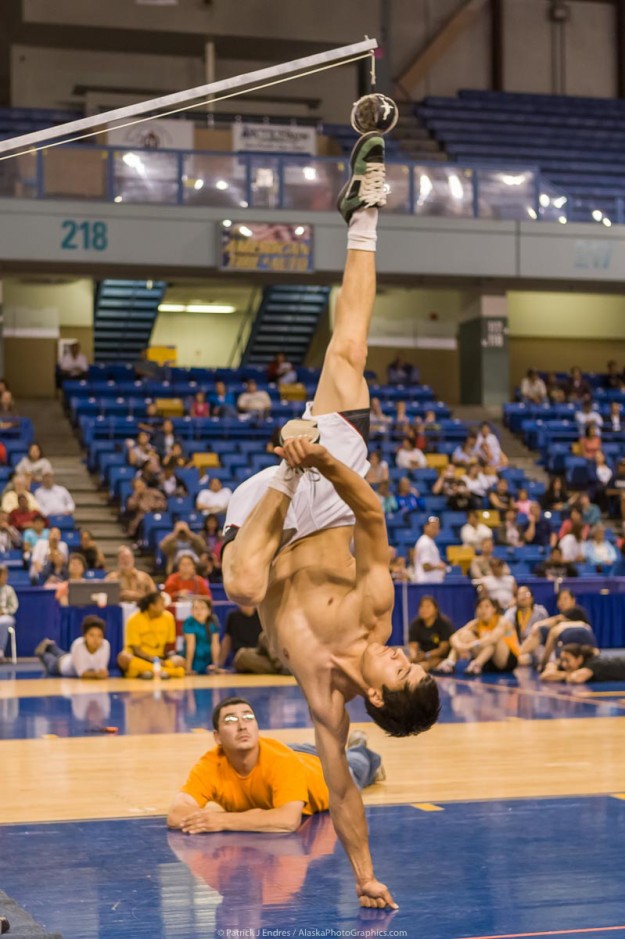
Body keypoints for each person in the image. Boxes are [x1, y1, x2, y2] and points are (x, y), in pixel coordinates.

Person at [219, 133, 439, 909]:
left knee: (245, 587)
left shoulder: (324, 700)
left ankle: (285, 459)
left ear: (376, 697)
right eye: (413, 661)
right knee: (347, 350)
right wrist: (317, 456)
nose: (403, 654)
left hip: (267, 515)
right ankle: (365, 211)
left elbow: (341, 789)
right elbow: (370, 508)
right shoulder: (376, 607)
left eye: (402, 671)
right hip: (329, 490)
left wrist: (364, 875)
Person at [167, 697, 384, 834]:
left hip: (323, 774)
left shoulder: (281, 761)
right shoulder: (211, 764)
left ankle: (359, 748)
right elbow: (176, 814)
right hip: (294, 752)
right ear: (217, 738)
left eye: (248, 717)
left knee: (355, 767)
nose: (242, 726)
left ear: (257, 727)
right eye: (231, 721)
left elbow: (288, 820)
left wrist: (222, 820)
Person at [438, 596, 519, 675]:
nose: (483, 610)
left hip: (506, 660)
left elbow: (493, 639)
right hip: (488, 659)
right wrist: (460, 646)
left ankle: (476, 664)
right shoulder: (476, 623)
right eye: (480, 607)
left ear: (494, 609)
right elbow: (453, 637)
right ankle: (450, 663)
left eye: (487, 606)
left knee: (491, 640)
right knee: (465, 635)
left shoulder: (503, 621)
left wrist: (468, 646)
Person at [118, 591, 186, 679]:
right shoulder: (134, 619)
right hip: (140, 657)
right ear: (152, 606)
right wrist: (153, 659)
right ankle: (170, 672)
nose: (164, 606)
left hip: (160, 658)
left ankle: (143, 672)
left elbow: (168, 645)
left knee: (180, 660)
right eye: (161, 604)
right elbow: (136, 649)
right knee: (123, 658)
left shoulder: (169, 617)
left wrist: (163, 660)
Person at [518, 588, 591, 668]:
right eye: (560, 599)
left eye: (565, 599)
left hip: (577, 652)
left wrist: (537, 625)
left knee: (540, 631)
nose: (562, 602)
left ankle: (519, 655)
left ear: (573, 601)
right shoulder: (561, 622)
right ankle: (518, 655)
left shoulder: (576, 611)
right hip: (560, 650)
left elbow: (555, 622)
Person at [35, 615, 110, 678]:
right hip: (60, 666)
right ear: (85, 636)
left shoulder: (105, 644)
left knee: (63, 654)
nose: (96, 639)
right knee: (50, 662)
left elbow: (102, 671)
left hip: (69, 657)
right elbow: (82, 674)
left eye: (99, 635)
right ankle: (42, 653)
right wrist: (97, 674)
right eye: (91, 635)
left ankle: (50, 646)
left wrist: (99, 674)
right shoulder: (78, 645)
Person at [408, 595, 454, 671]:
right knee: (407, 662)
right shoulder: (415, 624)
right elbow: (413, 646)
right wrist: (414, 656)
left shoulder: (444, 624)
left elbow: (443, 649)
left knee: (423, 665)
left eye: (428, 606)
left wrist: (427, 655)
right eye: (422, 606)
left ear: (436, 609)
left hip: (441, 657)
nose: (424, 609)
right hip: (422, 656)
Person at [541, 643, 625, 684]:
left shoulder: (593, 663)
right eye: (562, 660)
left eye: (567, 660)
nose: (564, 664)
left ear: (579, 659)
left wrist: (560, 674)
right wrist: (554, 664)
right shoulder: (568, 665)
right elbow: (545, 675)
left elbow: (576, 678)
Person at [183, 597, 220, 674]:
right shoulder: (189, 622)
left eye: (202, 608)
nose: (199, 611)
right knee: (177, 661)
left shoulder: (213, 621)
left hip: (207, 659)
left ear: (209, 611)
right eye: (196, 608)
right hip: (192, 659)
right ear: (191, 610)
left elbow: (215, 645)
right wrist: (188, 668)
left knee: (211, 669)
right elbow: (190, 645)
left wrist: (216, 665)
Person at [413, 516, 447, 584]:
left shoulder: (429, 541)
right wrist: (439, 566)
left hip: (431, 583)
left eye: (437, 528)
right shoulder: (425, 542)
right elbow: (425, 566)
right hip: (426, 583)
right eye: (433, 527)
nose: (435, 530)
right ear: (425, 527)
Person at [0, 564, 18, 662]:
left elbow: (14, 607)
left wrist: (4, 611)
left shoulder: (9, 590)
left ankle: (0, 652)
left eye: (4, 574)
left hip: (6, 617)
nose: (3, 577)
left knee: (3, 622)